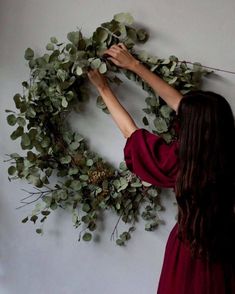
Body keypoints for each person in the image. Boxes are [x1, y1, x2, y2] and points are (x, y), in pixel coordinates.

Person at [87, 43, 235, 294]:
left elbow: (130, 132)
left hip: (189, 254)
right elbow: (182, 105)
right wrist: (134, 65)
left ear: (191, 129)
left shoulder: (178, 162)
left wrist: (103, 88)